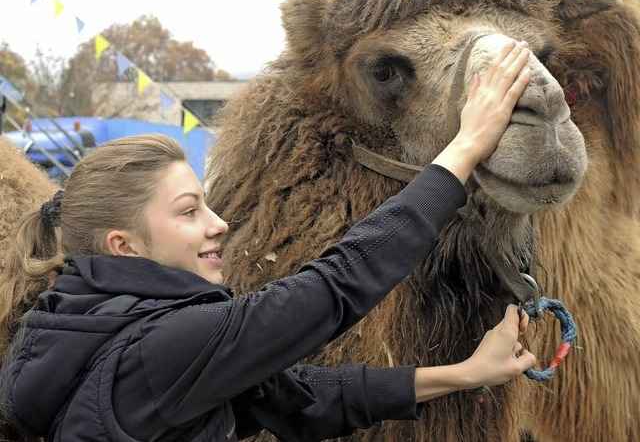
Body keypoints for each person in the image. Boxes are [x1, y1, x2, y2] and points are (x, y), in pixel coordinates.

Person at [0, 41, 534, 442]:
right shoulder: (162, 349)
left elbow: (300, 398)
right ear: (124, 246)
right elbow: (335, 287)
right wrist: (463, 151)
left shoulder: (70, 328)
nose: (219, 224)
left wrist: (464, 374)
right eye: (189, 212)